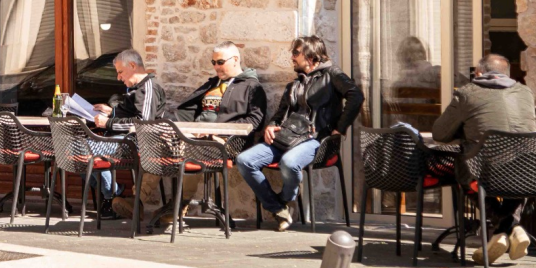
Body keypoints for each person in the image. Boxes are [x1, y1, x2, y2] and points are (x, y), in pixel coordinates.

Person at [113, 41, 268, 225]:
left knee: (188, 151)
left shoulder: (251, 87)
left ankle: (179, 205)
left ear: (235, 59)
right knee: (156, 145)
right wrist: (176, 130)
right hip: (195, 137)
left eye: (220, 62)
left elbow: (255, 121)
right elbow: (187, 111)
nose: (216, 66)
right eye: (213, 62)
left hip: (227, 142)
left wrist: (218, 133)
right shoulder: (211, 84)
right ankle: (138, 201)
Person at [236, 36, 363, 231]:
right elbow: (279, 114)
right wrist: (271, 126)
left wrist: (340, 128)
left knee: (289, 162)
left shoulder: (332, 74)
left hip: (317, 139)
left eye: (296, 53)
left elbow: (356, 95)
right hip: (285, 138)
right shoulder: (294, 85)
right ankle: (278, 208)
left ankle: (284, 199)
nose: (292, 57)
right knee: (245, 160)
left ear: (311, 56)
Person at [433, 53, 536, 265]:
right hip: (528, 173)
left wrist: (464, 129)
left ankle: (503, 228)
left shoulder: (466, 94)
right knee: (517, 180)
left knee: (464, 175)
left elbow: (440, 134)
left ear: (479, 73)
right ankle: (512, 228)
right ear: (507, 74)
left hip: (482, 172)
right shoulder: (526, 93)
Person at [90, 49, 167, 220]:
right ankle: (112, 192)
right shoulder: (136, 89)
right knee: (76, 149)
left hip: (134, 143)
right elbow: (129, 113)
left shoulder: (148, 88)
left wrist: (108, 123)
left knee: (87, 148)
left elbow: (143, 124)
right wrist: (111, 112)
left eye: (120, 72)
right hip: (122, 139)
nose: (118, 78)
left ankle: (110, 197)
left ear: (132, 66)